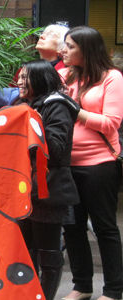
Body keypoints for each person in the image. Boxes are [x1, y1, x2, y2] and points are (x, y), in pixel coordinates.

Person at [59, 26, 123, 300]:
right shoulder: (65, 75)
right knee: (73, 228)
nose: (66, 50)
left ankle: (113, 290)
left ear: (87, 49)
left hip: (100, 164)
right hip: (66, 163)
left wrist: (77, 111)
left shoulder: (112, 78)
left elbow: (111, 123)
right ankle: (82, 286)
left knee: (104, 227)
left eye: (71, 46)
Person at [16, 59, 79, 300]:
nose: (19, 82)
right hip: (26, 190)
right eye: (20, 77)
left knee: (48, 253)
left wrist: (30, 127)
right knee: (25, 250)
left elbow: (56, 148)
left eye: (25, 77)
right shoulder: (26, 105)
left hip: (48, 190)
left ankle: (45, 296)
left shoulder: (56, 106)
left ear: (41, 80)